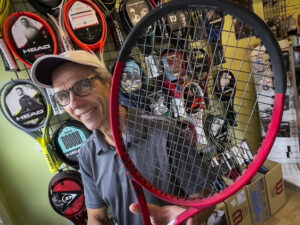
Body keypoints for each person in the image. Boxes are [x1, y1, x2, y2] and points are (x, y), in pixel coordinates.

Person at [31, 50, 215, 225]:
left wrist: (181, 217)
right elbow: (97, 216)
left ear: (110, 83)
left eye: (82, 86)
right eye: (63, 96)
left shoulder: (164, 132)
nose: (74, 103)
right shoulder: (87, 154)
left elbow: (207, 198)